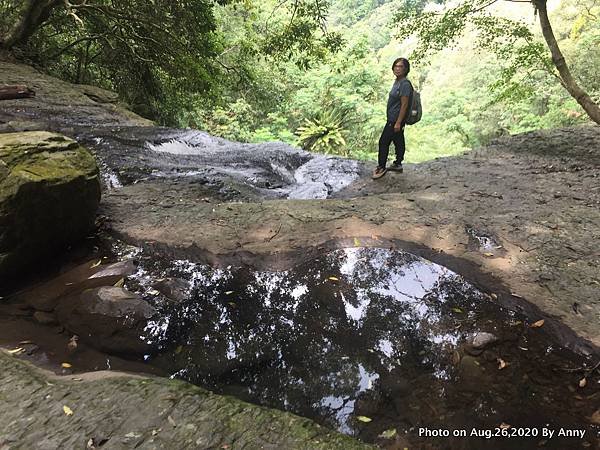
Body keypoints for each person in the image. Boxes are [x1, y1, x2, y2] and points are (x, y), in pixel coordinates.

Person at [372, 57, 413, 179]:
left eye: (400, 66)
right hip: (394, 118)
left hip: (395, 119)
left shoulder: (405, 84)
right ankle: (398, 163)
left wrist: (398, 122)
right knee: (398, 139)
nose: (397, 68)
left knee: (383, 142)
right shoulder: (398, 81)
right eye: (396, 66)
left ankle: (381, 167)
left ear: (406, 69)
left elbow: (404, 105)